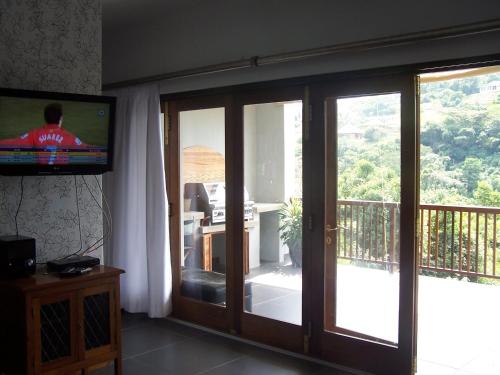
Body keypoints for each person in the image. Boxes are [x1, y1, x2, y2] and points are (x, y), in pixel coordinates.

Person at [0, 103, 88, 164]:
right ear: (61, 118)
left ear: (45, 118)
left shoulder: (34, 134)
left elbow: (13, 143)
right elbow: (87, 149)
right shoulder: (69, 136)